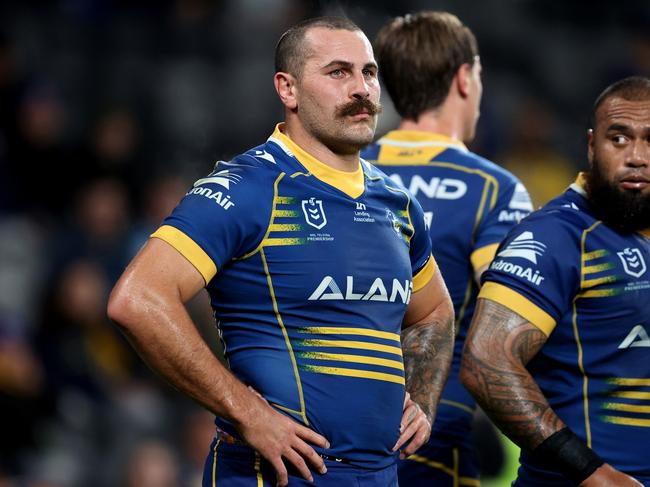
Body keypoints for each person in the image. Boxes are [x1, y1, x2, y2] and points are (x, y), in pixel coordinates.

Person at [107, 16, 455, 487]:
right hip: (271, 475)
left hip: (380, 477)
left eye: (369, 73)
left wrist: (422, 397)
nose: (362, 89)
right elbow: (138, 299)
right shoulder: (248, 188)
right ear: (287, 89)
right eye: (338, 72)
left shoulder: (396, 203)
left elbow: (434, 311)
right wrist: (247, 412)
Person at [361, 11, 532, 486]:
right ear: (463, 78)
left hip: (333, 421)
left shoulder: (346, 174)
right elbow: (515, 315)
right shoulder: (493, 189)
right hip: (433, 429)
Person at [460, 76, 650, 486]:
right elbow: (485, 361)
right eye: (619, 139)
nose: (636, 156)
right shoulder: (555, 236)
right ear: (590, 146)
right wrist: (590, 472)